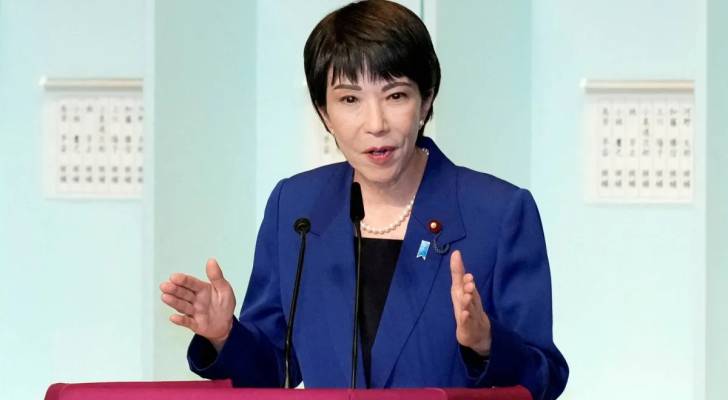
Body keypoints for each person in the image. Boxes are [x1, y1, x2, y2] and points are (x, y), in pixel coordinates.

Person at [159, 1, 568, 399]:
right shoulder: (297, 208)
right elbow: (275, 370)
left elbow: (546, 377)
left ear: (426, 100)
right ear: (324, 113)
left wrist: (486, 343)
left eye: (396, 96)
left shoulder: (497, 213)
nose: (376, 124)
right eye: (350, 100)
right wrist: (224, 334)